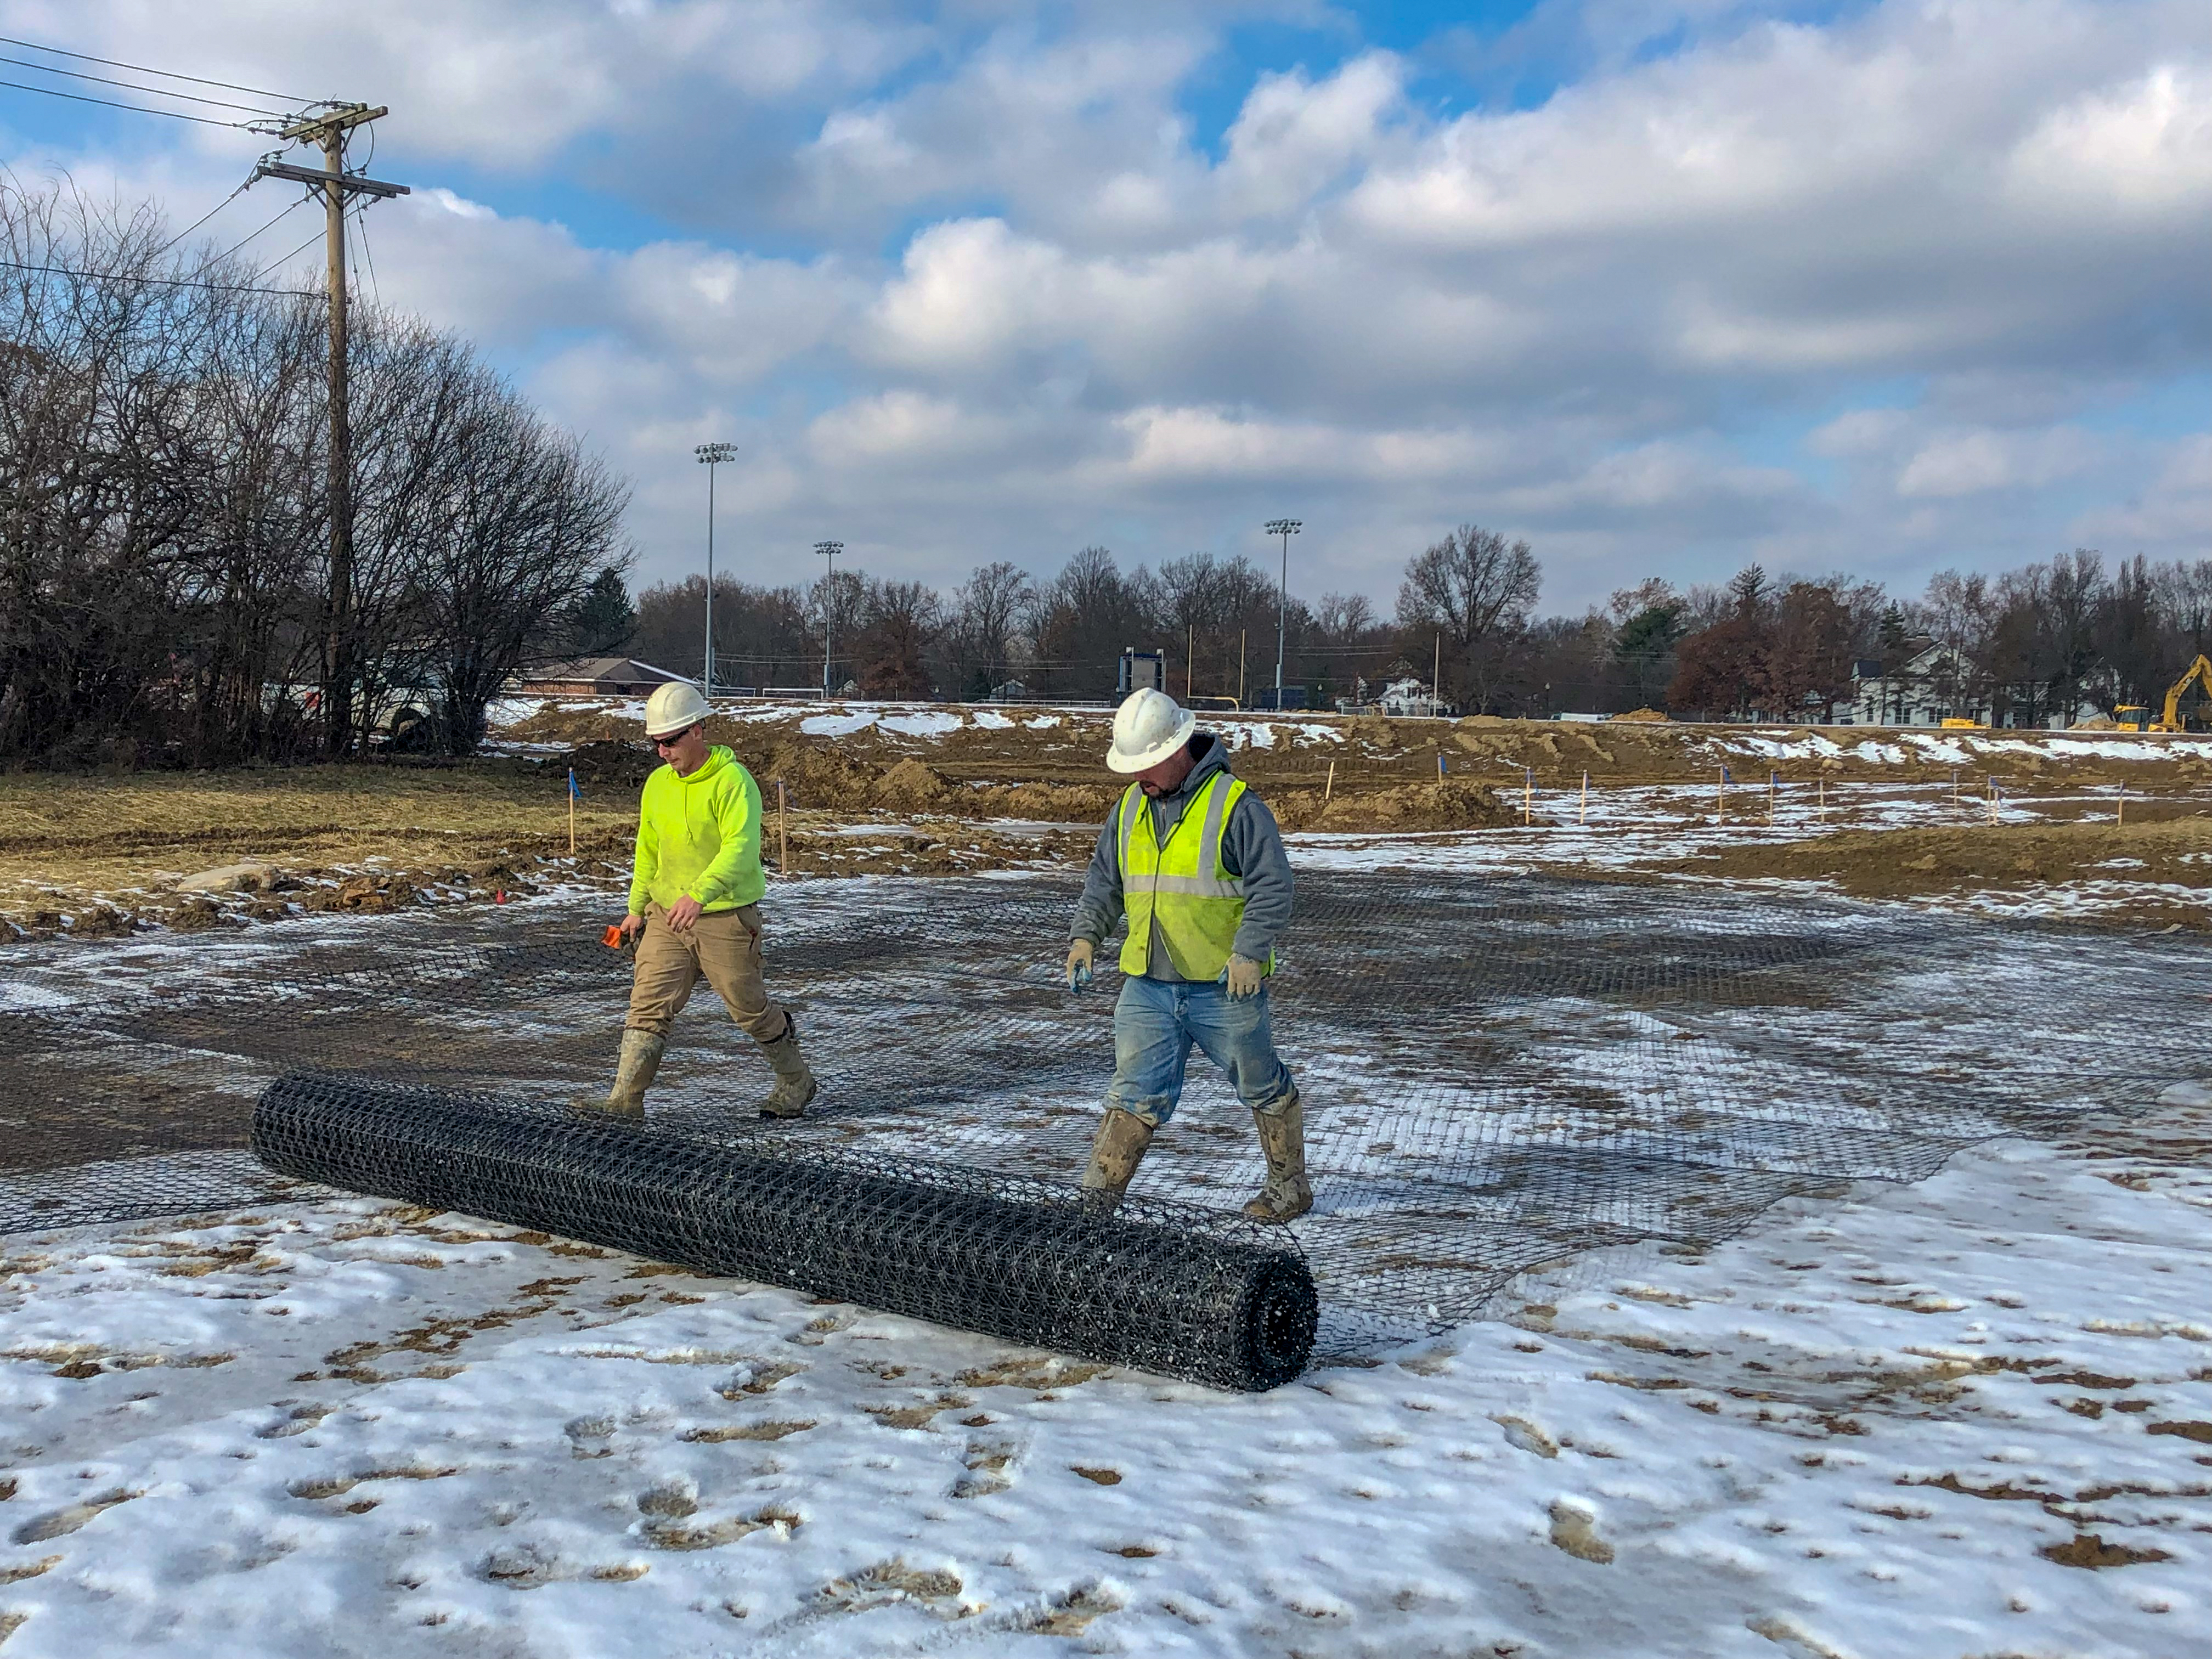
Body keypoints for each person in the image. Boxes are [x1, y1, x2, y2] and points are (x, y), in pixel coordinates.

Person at [1064, 687, 1309, 1221]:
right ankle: (1095, 1203)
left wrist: (1249, 952)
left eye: (1147, 765)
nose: (1138, 778)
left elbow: (1273, 886)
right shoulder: (1131, 806)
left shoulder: (1235, 805)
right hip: (1149, 984)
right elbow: (1105, 880)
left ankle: (1289, 1187)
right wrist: (1087, 936)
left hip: (1223, 987)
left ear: (1178, 749)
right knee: (1131, 1093)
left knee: (1260, 1081)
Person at [576, 681, 816, 1120]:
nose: (663, 753)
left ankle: (796, 1080)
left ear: (698, 730)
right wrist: (635, 909)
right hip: (667, 915)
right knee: (648, 1002)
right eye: (656, 743)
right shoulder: (657, 785)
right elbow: (649, 849)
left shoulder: (734, 783)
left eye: (670, 742)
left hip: (725, 917)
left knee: (748, 1009)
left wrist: (700, 896)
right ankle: (625, 1102)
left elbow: (740, 851)